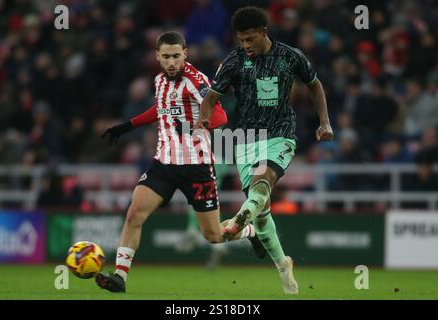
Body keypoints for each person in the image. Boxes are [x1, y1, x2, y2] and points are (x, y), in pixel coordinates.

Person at [95, 31, 265, 293]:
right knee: (133, 215)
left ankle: (250, 232)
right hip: (163, 164)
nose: (172, 62)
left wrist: (196, 125)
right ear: (158, 57)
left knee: (213, 236)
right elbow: (161, 108)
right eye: (166, 57)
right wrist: (127, 126)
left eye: (176, 56)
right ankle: (120, 276)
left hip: (197, 167)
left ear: (185, 54)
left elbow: (219, 116)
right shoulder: (160, 80)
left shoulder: (196, 82)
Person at [195, 7, 334, 294]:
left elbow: (315, 85)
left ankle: (237, 219)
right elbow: (211, 98)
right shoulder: (233, 61)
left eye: (250, 39)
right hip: (246, 139)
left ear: (263, 33)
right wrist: (202, 120)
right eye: (241, 40)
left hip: (280, 133)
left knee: (264, 179)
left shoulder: (290, 56)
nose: (246, 45)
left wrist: (325, 121)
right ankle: (283, 264)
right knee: (262, 212)